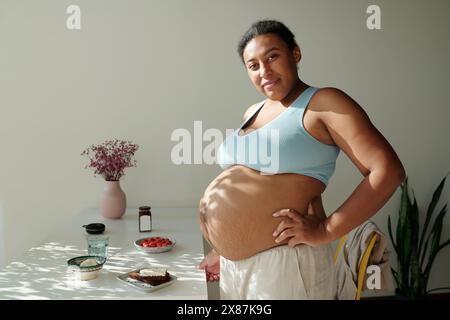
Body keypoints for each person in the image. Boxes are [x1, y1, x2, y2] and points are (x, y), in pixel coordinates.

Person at [197, 19, 405, 299]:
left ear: (295, 54)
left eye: (272, 56)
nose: (264, 71)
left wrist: (325, 230)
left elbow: (387, 171)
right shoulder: (252, 112)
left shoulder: (324, 103)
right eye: (253, 65)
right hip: (237, 268)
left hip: (286, 263)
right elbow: (252, 184)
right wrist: (222, 248)